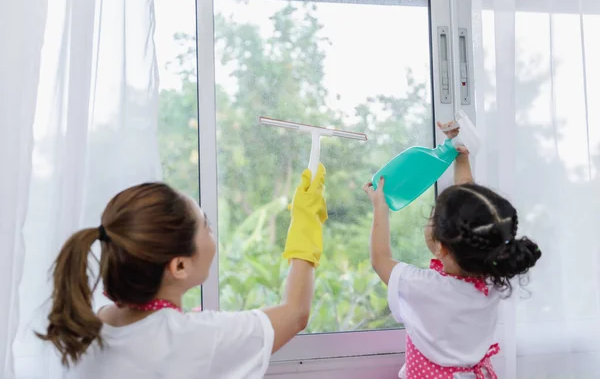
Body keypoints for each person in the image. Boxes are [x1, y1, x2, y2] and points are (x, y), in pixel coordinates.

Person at [37, 164, 328, 378]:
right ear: (179, 265)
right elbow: (295, 314)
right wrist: (306, 222)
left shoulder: (85, 328)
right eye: (207, 226)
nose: (213, 233)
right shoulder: (194, 339)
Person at [363, 122, 542, 379]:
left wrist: (380, 209)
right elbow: (470, 210)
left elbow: (380, 260)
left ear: (442, 247)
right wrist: (460, 154)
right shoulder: (491, 277)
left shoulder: (427, 287)